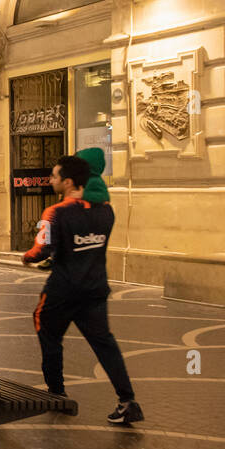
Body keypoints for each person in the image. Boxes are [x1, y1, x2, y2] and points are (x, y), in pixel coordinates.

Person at [23, 153, 142, 425]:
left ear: (67, 182)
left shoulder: (55, 212)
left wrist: (27, 257)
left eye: (54, 176)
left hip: (62, 290)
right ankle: (127, 400)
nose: (50, 179)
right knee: (105, 345)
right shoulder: (106, 211)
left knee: (49, 335)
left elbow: (41, 249)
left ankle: (57, 393)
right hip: (95, 288)